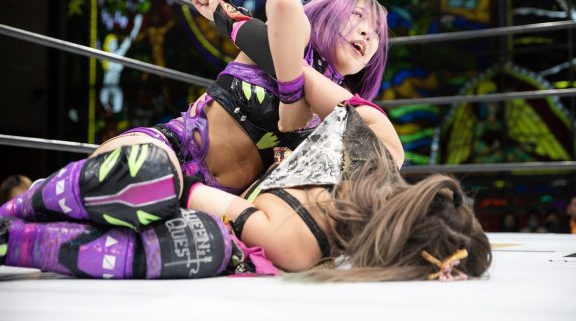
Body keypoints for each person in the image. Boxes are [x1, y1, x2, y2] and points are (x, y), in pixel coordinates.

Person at [0, 103, 491, 281]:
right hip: (195, 180)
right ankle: (20, 219)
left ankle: (18, 228)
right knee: (156, 179)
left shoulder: (373, 152)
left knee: (198, 233)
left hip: (199, 215)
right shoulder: (374, 150)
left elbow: (198, 198)